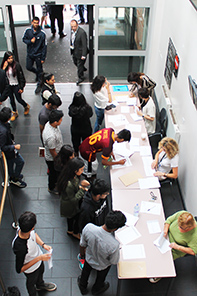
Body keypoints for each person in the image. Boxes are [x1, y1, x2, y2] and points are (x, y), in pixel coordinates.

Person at [77, 210, 126, 295]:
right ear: (115, 229)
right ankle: (97, 289)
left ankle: (82, 286)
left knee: (85, 272)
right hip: (103, 265)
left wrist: (82, 255)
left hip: (89, 258)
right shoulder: (114, 244)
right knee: (101, 277)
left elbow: (82, 244)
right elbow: (113, 261)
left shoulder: (89, 228)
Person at [12, 211, 57, 296]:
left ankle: (40, 285)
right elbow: (19, 269)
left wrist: (43, 245)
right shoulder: (20, 247)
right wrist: (39, 258)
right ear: (32, 227)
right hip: (31, 269)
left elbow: (34, 234)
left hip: (38, 259)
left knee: (41, 273)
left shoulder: (23, 229)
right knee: (31, 283)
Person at [149, 210, 197, 283]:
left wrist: (177, 247)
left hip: (175, 249)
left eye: (181, 227)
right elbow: (169, 220)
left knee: (160, 259)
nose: (178, 228)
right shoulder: (182, 214)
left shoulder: (194, 235)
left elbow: (193, 251)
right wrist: (165, 230)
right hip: (165, 237)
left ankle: (158, 273)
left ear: (189, 227)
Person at [77, 179, 110, 269]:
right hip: (90, 230)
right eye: (106, 194)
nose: (107, 195)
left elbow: (106, 209)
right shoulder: (86, 208)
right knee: (85, 245)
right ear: (99, 195)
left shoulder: (102, 198)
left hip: (101, 226)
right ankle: (82, 257)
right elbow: (84, 227)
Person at [57, 157, 90, 239]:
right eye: (81, 170)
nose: (82, 171)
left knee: (70, 218)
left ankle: (70, 230)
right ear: (75, 170)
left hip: (67, 204)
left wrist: (80, 188)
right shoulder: (69, 184)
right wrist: (82, 189)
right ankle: (75, 232)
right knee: (76, 218)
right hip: (70, 206)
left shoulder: (70, 176)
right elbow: (74, 200)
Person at [0, 107, 26, 188]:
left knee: (10, 165)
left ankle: (13, 175)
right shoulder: (3, 132)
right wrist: (14, 146)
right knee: (20, 162)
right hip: (9, 152)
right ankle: (14, 179)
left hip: (10, 149)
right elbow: (3, 147)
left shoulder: (3, 125)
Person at [1, 51, 30, 122]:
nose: (11, 60)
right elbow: (1, 76)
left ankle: (26, 106)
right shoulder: (3, 66)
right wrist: (3, 69)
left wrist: (21, 87)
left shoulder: (16, 65)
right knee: (11, 99)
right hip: (8, 85)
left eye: (11, 58)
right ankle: (14, 112)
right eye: (9, 58)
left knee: (18, 98)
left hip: (16, 84)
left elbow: (21, 77)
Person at [22, 16, 47, 95]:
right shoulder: (28, 31)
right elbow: (24, 39)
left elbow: (44, 46)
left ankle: (39, 83)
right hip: (30, 53)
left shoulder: (42, 33)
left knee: (40, 69)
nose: (36, 24)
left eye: (37, 23)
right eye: (34, 23)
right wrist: (30, 41)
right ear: (32, 22)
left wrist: (43, 57)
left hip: (38, 54)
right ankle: (38, 74)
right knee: (28, 67)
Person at [42, 110, 64, 194]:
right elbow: (52, 151)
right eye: (60, 119)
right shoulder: (50, 136)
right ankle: (51, 187)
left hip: (57, 152)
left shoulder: (50, 124)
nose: (61, 121)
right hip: (52, 158)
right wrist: (58, 160)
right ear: (55, 122)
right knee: (53, 173)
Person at [70, 19, 88, 85]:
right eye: (72, 26)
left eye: (74, 26)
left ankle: (81, 77)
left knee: (79, 65)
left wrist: (84, 55)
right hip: (75, 51)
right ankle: (82, 68)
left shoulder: (82, 33)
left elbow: (84, 44)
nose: (73, 28)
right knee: (76, 62)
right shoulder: (72, 31)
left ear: (77, 25)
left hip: (80, 52)